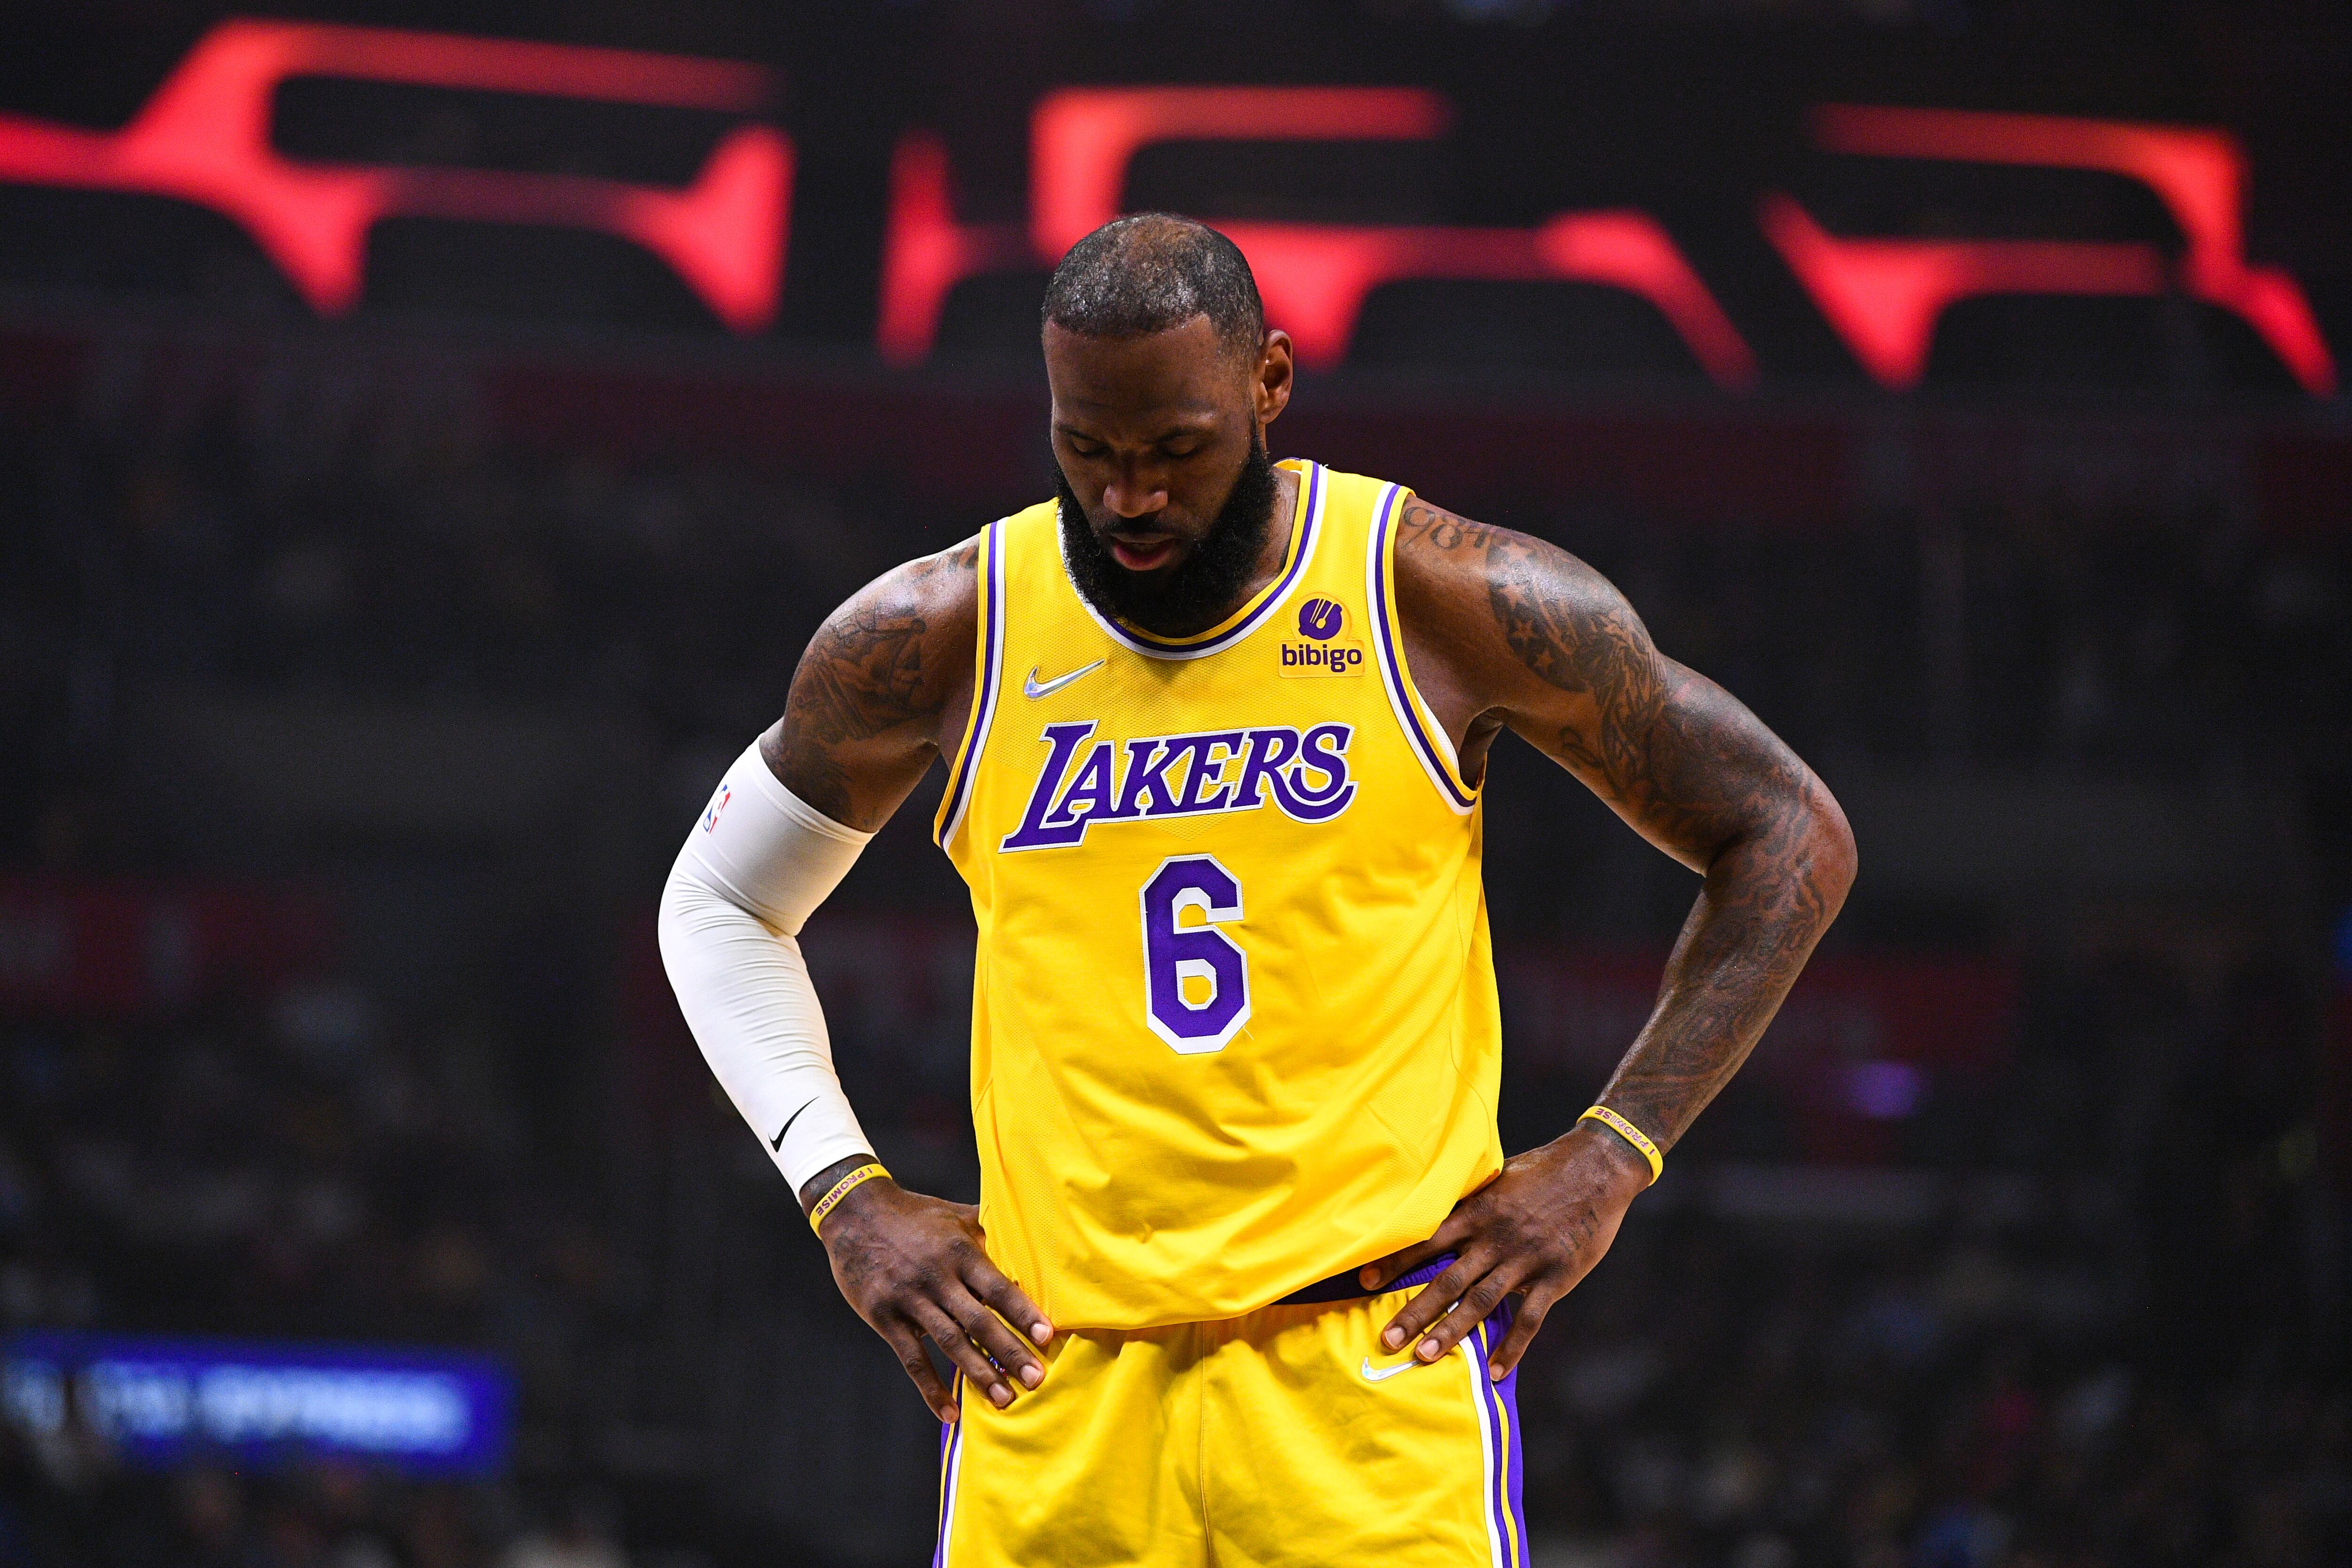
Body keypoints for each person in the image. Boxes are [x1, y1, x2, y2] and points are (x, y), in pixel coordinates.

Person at [660, 213, 1855, 1567]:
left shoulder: (1440, 595)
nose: (1130, 500)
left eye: (1176, 449)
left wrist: (1610, 1156)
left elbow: (1789, 835)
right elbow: (716, 904)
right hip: (1053, 1380)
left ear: (1271, 382)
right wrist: (843, 1193)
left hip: (1367, 1369)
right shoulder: (941, 632)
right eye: (1088, 451)